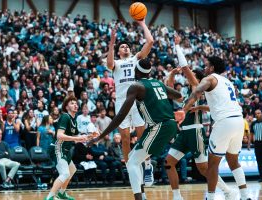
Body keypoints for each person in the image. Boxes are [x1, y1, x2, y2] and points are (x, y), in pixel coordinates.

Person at [89, 59, 182, 200]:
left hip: (159, 126)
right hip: (168, 125)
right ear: (149, 72)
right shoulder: (157, 83)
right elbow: (179, 96)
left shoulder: (136, 86)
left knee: (131, 162)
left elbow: (120, 116)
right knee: (133, 159)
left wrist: (100, 136)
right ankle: (142, 192)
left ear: (136, 72)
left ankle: (140, 193)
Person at [165, 35, 235, 200]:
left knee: (204, 169)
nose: (188, 77)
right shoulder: (188, 94)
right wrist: (171, 76)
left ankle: (227, 191)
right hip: (183, 133)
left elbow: (186, 68)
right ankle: (177, 196)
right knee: (169, 163)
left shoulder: (198, 85)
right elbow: (171, 93)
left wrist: (177, 46)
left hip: (196, 132)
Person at [182, 56, 250, 200]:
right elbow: (219, 106)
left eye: (206, 65)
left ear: (212, 68)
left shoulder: (210, 78)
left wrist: (184, 109)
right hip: (238, 120)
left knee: (212, 165)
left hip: (224, 123)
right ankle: (245, 196)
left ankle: (210, 198)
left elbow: (196, 92)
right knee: (234, 162)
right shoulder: (227, 82)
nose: (205, 68)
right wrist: (200, 107)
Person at [106, 17, 154, 186]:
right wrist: (112, 43)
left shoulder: (136, 59)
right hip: (121, 102)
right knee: (125, 139)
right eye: (122, 47)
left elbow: (150, 41)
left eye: (126, 46)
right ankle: (130, 167)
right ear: (119, 51)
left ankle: (147, 164)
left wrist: (142, 23)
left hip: (137, 101)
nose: (125, 47)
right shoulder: (116, 63)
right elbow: (109, 62)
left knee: (142, 135)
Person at [45, 96, 88, 200]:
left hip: (66, 149)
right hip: (57, 148)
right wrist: (76, 138)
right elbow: (59, 135)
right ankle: (50, 197)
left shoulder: (74, 119)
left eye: (76, 103)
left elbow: (77, 138)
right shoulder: (65, 116)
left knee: (72, 169)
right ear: (66, 106)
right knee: (64, 173)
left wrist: (91, 136)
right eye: (72, 103)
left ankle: (61, 193)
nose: (75, 105)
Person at [250, 109, 262, 182]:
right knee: (259, 161)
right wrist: (249, 143)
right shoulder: (253, 123)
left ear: (261, 114)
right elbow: (251, 134)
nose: (257, 114)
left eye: (259, 113)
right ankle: (261, 177)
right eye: (256, 113)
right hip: (257, 144)